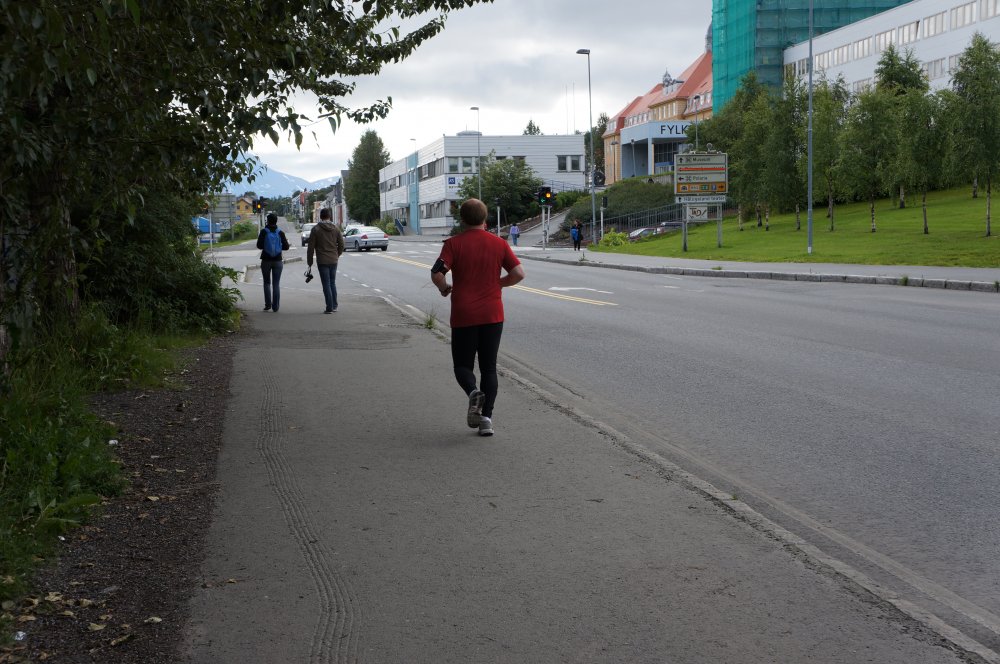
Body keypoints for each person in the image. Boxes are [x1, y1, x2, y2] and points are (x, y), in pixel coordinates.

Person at [431, 198, 525, 437]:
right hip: (492, 314)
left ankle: (473, 392)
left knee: (463, 365)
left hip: (464, 314)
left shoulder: (453, 244)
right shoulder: (499, 244)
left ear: (462, 219)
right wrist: (498, 283)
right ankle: (486, 420)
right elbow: (518, 273)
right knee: (489, 368)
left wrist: (444, 288)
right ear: (485, 219)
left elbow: (437, 273)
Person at [307, 208, 345, 313]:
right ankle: (334, 305)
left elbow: (311, 248)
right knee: (332, 283)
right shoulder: (336, 228)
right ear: (330, 216)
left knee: (326, 284)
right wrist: (337, 254)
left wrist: (310, 262)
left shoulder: (316, 229)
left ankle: (329, 307)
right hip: (333, 259)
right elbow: (342, 244)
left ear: (320, 216)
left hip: (322, 260)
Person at [256, 212, 290, 312]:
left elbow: (259, 246)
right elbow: (286, 247)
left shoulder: (264, 232)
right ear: (276, 221)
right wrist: (278, 247)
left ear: (267, 221)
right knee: (276, 284)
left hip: (266, 260)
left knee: (266, 283)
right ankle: (275, 306)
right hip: (278, 260)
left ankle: (267, 305)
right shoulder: (280, 232)